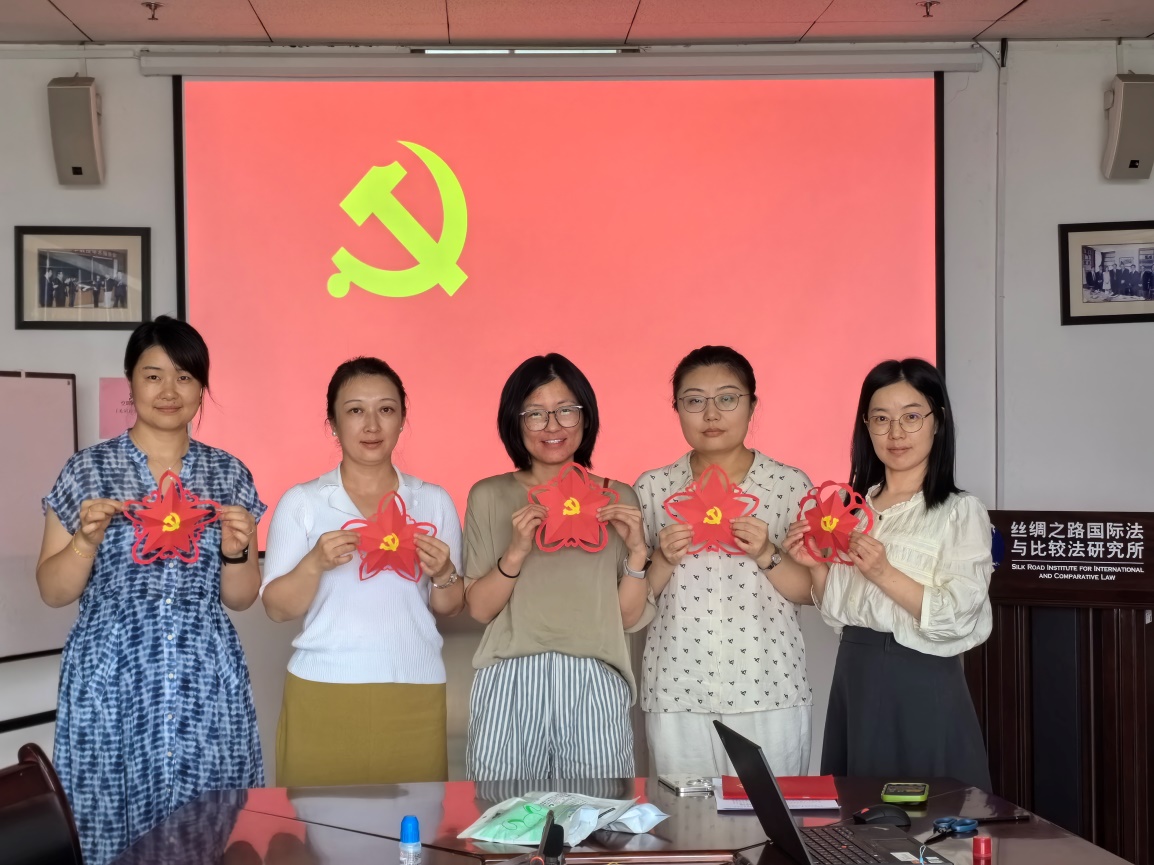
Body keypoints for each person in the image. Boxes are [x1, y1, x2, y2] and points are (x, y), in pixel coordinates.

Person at [36, 315, 265, 865]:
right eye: (153, 375)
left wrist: (237, 550)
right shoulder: (88, 470)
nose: (169, 391)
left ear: (201, 388)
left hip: (203, 675)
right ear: (131, 382)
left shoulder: (228, 474)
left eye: (184, 377)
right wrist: (85, 540)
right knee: (111, 825)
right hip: (111, 674)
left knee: (208, 825)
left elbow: (240, 597)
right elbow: (52, 590)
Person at [783, 358, 993, 790]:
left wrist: (882, 571)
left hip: (920, 677)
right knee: (855, 812)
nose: (896, 433)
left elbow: (958, 616)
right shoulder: (852, 510)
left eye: (911, 417)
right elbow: (839, 614)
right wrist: (816, 565)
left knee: (928, 815)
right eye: (881, 419)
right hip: (854, 672)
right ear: (866, 426)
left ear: (938, 421)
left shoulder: (959, 511)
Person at [261, 357, 464, 786]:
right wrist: (314, 563)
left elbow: (448, 605)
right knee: (317, 823)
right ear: (333, 423)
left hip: (414, 689)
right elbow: (277, 609)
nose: (371, 425)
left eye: (386, 409)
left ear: (403, 419)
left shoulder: (433, 500)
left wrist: (444, 571)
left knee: (414, 823)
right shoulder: (303, 501)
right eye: (355, 410)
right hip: (322, 690)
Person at [463, 353, 655, 780]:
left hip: (595, 676)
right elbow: (479, 608)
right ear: (515, 422)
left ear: (586, 416)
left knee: (599, 812)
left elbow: (627, 618)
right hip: (509, 678)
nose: (552, 426)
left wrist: (638, 552)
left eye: (566, 410)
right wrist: (516, 551)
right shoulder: (488, 495)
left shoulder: (618, 497)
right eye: (535, 414)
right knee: (504, 812)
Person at [634, 345, 815, 777]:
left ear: (752, 404)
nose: (711, 414)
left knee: (769, 815)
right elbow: (633, 606)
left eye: (728, 398)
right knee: (683, 817)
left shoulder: (788, 485)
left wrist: (767, 552)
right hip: (677, 690)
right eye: (694, 401)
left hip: (768, 686)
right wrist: (662, 559)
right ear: (677, 408)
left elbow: (811, 593)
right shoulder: (653, 488)